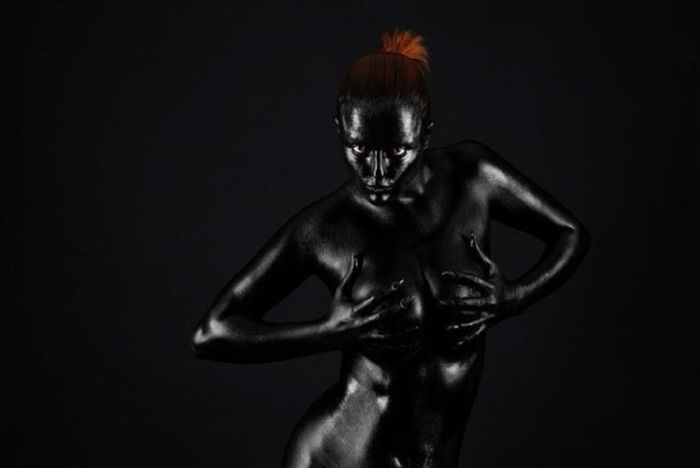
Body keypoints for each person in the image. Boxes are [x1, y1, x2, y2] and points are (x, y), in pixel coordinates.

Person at [191, 29, 590, 468]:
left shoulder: (474, 178)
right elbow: (213, 333)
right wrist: (330, 333)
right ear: (340, 129)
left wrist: (514, 297)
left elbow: (570, 233)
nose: (377, 171)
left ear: (425, 133)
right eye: (359, 148)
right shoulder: (326, 227)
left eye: (397, 150)